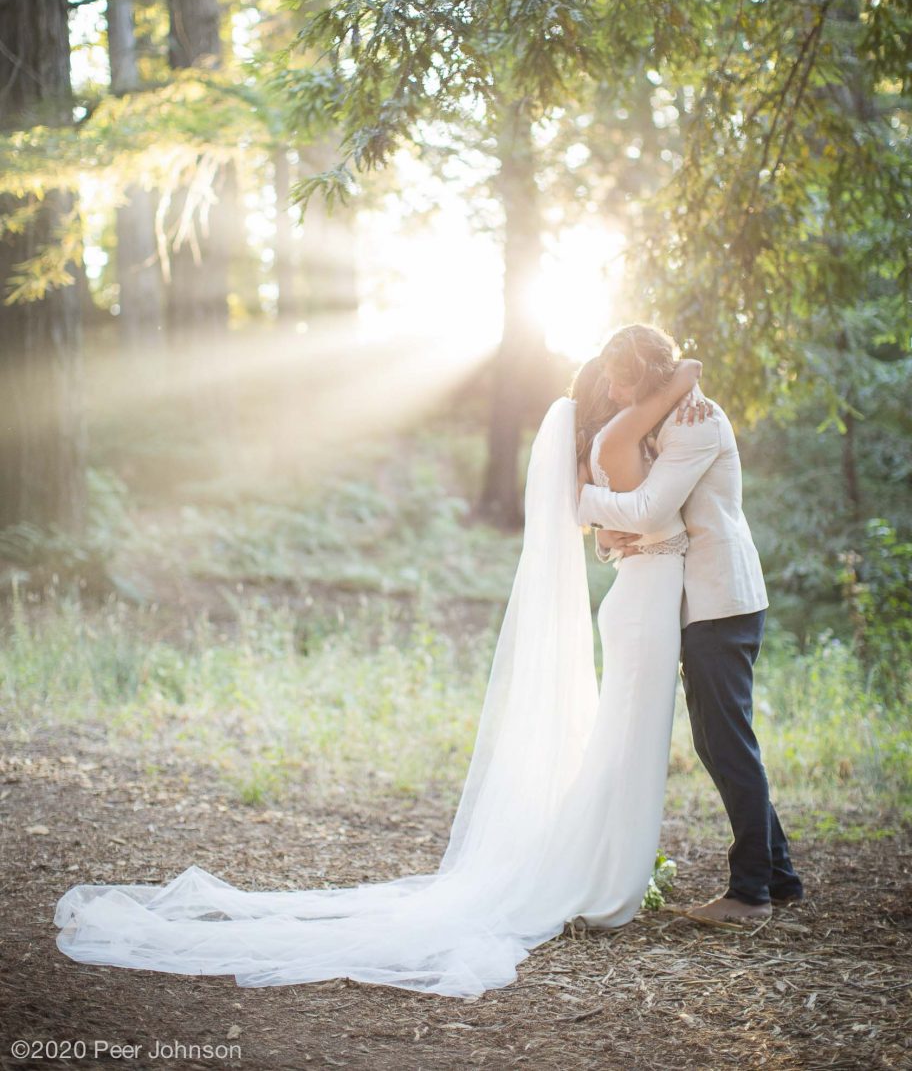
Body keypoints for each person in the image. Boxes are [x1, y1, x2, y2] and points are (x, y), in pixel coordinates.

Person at [53, 357, 704, 998]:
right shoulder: (618, 442)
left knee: (621, 745)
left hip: (637, 601)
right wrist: (680, 384)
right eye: (624, 386)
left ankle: (600, 868)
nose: (631, 395)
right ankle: (604, 880)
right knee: (628, 744)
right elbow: (644, 513)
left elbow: (614, 521)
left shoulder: (605, 446)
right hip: (641, 604)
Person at [577, 324, 804, 926]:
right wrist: (605, 539)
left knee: (726, 741)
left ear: (648, 377)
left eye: (622, 381)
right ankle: (778, 876)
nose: (614, 392)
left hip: (721, 599)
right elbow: (643, 524)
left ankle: (750, 893)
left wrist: (579, 505)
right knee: (718, 740)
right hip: (693, 601)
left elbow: (652, 509)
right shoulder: (666, 417)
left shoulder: (698, 421)